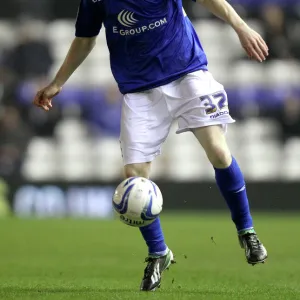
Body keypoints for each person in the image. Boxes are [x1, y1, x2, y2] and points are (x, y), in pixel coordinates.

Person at [33, 0, 268, 292]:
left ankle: (247, 232)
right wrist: (58, 82)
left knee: (219, 153)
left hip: (187, 74)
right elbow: (85, 39)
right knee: (134, 177)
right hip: (139, 91)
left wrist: (240, 26)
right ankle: (158, 253)